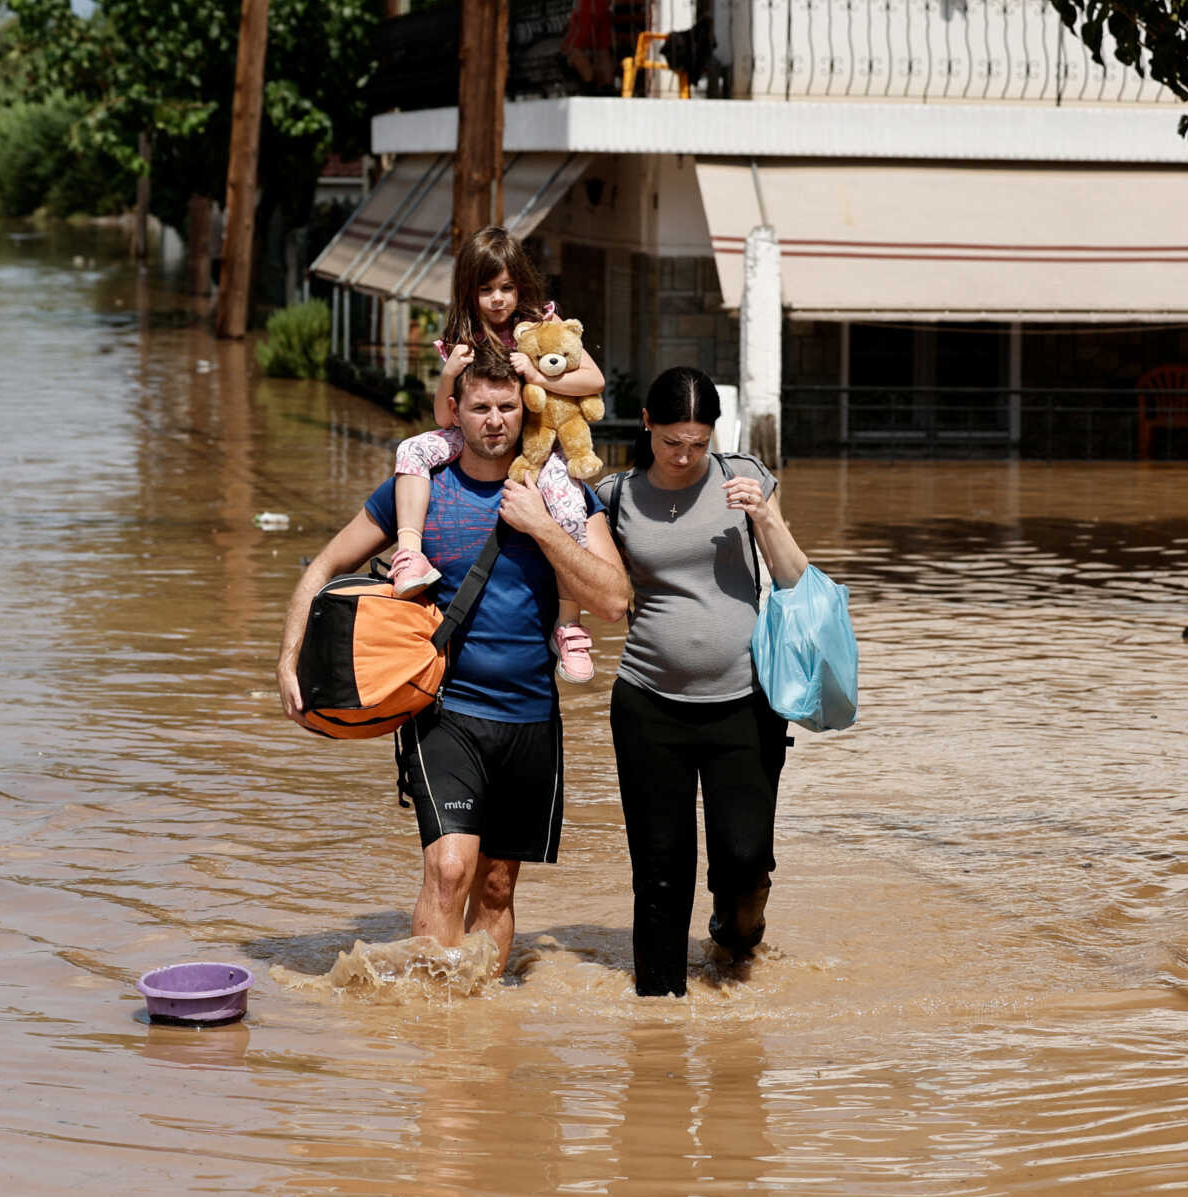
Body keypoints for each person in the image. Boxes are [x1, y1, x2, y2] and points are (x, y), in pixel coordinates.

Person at [279, 344, 631, 974]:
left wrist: (543, 527)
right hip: (444, 710)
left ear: (525, 411)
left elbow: (614, 601)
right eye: (479, 407)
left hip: (530, 715)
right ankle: (432, 1042)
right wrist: (289, 661)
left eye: (505, 406)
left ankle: (480, 1042)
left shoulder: (563, 498)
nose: (494, 420)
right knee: (449, 869)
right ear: (456, 412)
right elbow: (327, 566)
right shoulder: (420, 489)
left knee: (496, 886)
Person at [597, 367, 810, 998]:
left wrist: (765, 518)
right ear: (646, 425)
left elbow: (797, 578)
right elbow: (596, 588)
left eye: (698, 442)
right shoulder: (614, 496)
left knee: (744, 863)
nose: (686, 455)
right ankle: (658, 1016)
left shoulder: (745, 478)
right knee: (660, 872)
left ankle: (736, 935)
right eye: (672, 442)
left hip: (744, 705)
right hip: (647, 704)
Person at [388, 227, 608, 682]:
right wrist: (449, 373)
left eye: (506, 288)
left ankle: (568, 623)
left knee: (568, 507)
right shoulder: (462, 335)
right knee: (412, 449)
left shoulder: (544, 328)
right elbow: (445, 419)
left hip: (537, 443)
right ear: (470, 291)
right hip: (480, 439)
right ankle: (408, 555)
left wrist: (538, 377)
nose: (497, 299)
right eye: (486, 289)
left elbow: (594, 381)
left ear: (522, 286)